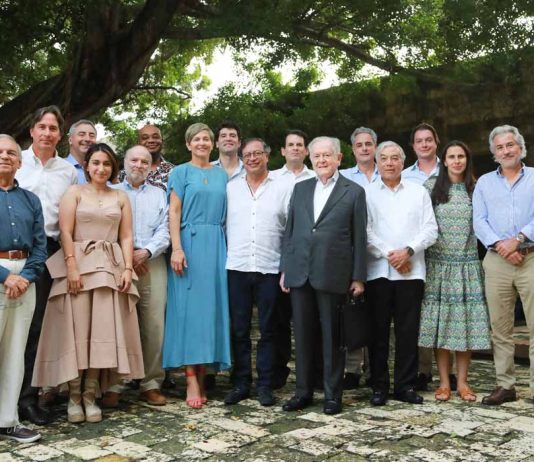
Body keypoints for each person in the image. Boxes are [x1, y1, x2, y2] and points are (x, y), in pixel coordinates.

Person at [32, 143, 144, 423]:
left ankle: (91, 395)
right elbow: (65, 232)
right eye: (95, 162)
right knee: (77, 330)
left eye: (106, 164)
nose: (101, 168)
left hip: (110, 266)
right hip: (79, 265)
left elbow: (127, 236)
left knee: (101, 332)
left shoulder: (120, 197)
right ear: (87, 165)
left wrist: (128, 268)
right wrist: (71, 266)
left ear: (113, 167)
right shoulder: (74, 192)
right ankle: (72, 396)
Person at [280, 136, 367, 415]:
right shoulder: (301, 188)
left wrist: (358, 276)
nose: (321, 160)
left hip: (334, 273)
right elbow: (290, 231)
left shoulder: (353, 191)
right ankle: (303, 392)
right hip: (300, 272)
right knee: (302, 337)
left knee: (332, 337)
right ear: (311, 159)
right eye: (316, 156)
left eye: (327, 155)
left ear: (339, 158)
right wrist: (285, 268)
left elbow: (359, 237)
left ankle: (332, 395)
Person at [15, 105, 78, 425]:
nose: (47, 133)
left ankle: (27, 398)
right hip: (10, 250)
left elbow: (69, 221)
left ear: (60, 135)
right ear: (32, 131)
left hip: (47, 253)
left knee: (35, 328)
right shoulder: (14, 160)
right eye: (42, 127)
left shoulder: (67, 171)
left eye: (53, 129)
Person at [162, 123, 231, 409]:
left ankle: (204, 375)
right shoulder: (179, 172)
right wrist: (176, 248)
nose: (202, 143)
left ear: (212, 145)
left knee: (210, 311)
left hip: (216, 243)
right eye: (197, 139)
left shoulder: (222, 175)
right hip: (188, 244)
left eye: (207, 138)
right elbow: (174, 211)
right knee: (188, 313)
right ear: (188, 144)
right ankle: (190, 377)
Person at [418, 141, 491, 402]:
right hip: (439, 266)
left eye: (461, 156)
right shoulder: (430, 188)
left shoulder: (477, 188)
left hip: (467, 265)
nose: (457, 160)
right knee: (442, 327)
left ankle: (463, 383)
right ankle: (443, 383)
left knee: (465, 327)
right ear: (444, 160)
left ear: (467, 159)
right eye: (452, 156)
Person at [366, 141, 438, 406]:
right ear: (377, 162)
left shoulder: (418, 192)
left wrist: (407, 251)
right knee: (378, 331)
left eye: (395, 158)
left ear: (402, 162)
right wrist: (391, 255)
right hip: (378, 272)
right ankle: (379, 386)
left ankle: (405, 386)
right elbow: (365, 232)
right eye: (383, 158)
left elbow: (430, 230)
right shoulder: (367, 193)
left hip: (411, 272)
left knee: (408, 332)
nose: (389, 163)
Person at [224, 138, 292, 406]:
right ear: (242, 157)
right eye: (248, 154)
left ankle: (265, 384)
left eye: (258, 153)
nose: (252, 158)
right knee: (238, 329)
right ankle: (241, 382)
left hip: (270, 267)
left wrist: (287, 267)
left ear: (267, 155)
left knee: (269, 330)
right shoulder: (230, 188)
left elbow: (290, 231)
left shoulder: (283, 188)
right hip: (237, 267)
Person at [103, 146, 170, 408]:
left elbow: (166, 229)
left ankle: (150, 384)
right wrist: (127, 256)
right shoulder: (112, 193)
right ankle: (114, 384)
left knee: (154, 327)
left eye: (145, 161)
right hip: (118, 264)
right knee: (118, 325)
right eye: (134, 160)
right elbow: (106, 228)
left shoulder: (160, 194)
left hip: (152, 264)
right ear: (124, 162)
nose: (139, 165)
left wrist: (147, 252)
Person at [473, 125, 534, 406]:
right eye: (499, 147)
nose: (506, 150)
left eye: (510, 145)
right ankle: (505, 385)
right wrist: (502, 246)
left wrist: (520, 238)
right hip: (497, 261)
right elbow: (479, 222)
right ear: (493, 153)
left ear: (520, 147)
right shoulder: (484, 183)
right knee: (500, 327)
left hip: (530, 257)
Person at [0, 135, 47, 443]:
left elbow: (41, 246)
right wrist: (5, 276)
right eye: (0, 152)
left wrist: (26, 276)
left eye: (11, 153)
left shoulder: (31, 199)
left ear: (20, 161)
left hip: (26, 276)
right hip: (1, 274)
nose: (5, 156)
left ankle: (7, 420)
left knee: (16, 351)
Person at [269, 129, 316, 390]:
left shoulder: (317, 176)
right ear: (283, 151)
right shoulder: (272, 178)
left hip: (309, 258)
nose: (296, 148)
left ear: (306, 151)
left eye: (300, 144)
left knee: (309, 317)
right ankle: (279, 370)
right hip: (276, 254)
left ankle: (312, 372)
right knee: (279, 319)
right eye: (291, 145)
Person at [401, 122, 443, 391]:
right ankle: (423, 370)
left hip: (448, 249)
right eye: (419, 140)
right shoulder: (405, 176)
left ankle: (449, 372)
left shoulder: (451, 169)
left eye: (429, 139)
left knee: (447, 309)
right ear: (413, 146)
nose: (425, 144)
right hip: (416, 251)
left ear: (436, 141)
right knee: (422, 311)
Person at [340, 126, 380, 389]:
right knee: (352, 313)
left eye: (369, 144)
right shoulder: (343, 177)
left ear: (375, 146)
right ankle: (352, 369)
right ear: (352, 149)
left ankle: (375, 370)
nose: (364, 148)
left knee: (377, 316)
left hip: (381, 257)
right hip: (352, 255)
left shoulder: (389, 172)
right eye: (359, 145)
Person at [118, 124, 174, 191]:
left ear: (162, 141)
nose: (151, 141)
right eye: (145, 138)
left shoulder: (174, 172)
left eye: (155, 137)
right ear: (138, 143)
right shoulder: (124, 174)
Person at [65, 120, 97, 185]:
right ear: (70, 140)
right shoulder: (58, 167)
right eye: (82, 134)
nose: (87, 139)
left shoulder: (102, 170)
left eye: (92, 136)